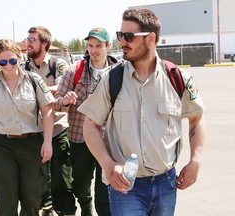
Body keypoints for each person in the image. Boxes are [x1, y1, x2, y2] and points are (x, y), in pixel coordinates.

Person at [78, 8, 206, 216]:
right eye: (120, 35)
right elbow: (89, 126)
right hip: (126, 186)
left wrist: (195, 161)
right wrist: (108, 165)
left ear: (150, 38)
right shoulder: (111, 79)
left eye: (129, 36)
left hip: (167, 184)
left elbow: (197, 118)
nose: (122, 42)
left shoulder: (177, 78)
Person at [0, 38, 55, 216]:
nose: (8, 65)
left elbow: (48, 111)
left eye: (12, 60)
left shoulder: (34, 81)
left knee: (33, 200)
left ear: (20, 58)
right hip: (1, 146)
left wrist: (47, 141)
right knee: (6, 202)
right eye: (3, 62)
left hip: (31, 144)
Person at [53, 27, 118, 216]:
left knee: (104, 186)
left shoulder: (118, 71)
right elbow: (56, 103)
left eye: (98, 45)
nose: (94, 50)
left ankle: (101, 211)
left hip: (109, 140)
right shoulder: (75, 71)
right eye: (90, 45)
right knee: (80, 183)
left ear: (108, 46)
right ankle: (86, 206)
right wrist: (65, 101)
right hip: (79, 138)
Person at [24, 26, 76, 216]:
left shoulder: (57, 63)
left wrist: (39, 86)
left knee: (62, 177)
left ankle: (67, 211)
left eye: (32, 40)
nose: (28, 43)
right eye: (27, 39)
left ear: (44, 43)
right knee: (40, 176)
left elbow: (63, 87)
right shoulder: (25, 67)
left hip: (58, 127)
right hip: (37, 129)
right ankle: (48, 208)